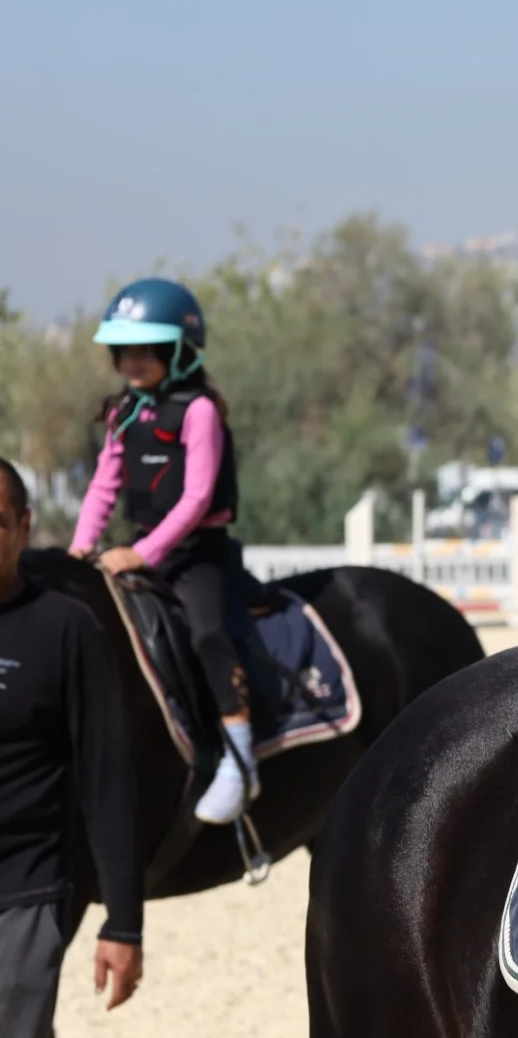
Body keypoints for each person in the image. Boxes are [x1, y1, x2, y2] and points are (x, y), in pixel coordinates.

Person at [69, 278, 257, 824]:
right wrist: (81, 547)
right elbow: (104, 486)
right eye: (123, 350)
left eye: (145, 349)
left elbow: (197, 498)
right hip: (141, 547)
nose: (132, 361)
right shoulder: (123, 412)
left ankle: (241, 755)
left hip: (196, 553)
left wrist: (142, 554)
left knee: (206, 632)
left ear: (177, 350)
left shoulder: (198, 411)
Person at [0, 457, 144, 1034]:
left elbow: (108, 780)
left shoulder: (67, 629)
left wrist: (124, 923)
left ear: (25, 527)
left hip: (22, 900)